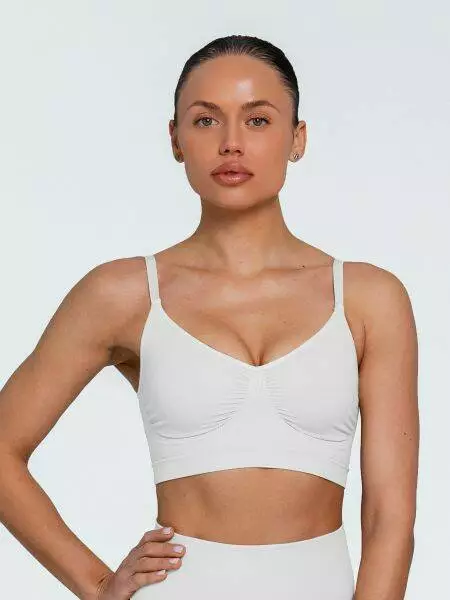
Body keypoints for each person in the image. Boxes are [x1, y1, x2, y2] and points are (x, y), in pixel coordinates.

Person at [0, 34, 419, 600]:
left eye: (258, 120)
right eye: (205, 121)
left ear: (297, 138)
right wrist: (98, 586)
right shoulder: (123, 294)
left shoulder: (370, 299)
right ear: (176, 139)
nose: (231, 144)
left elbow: (389, 517)